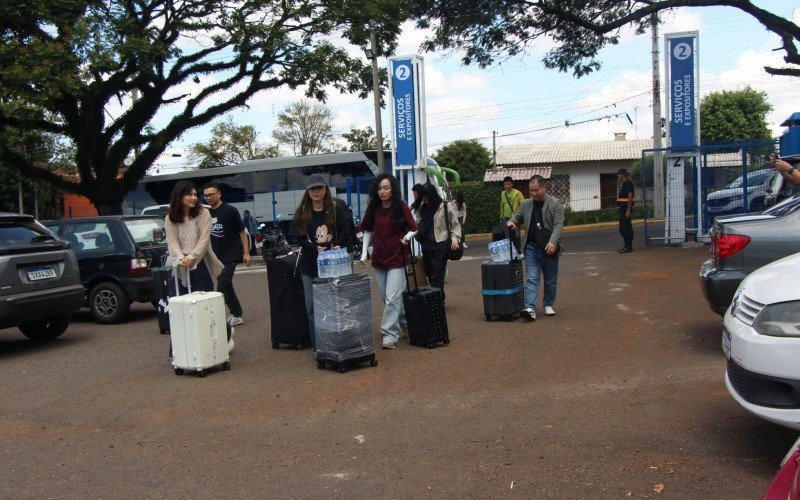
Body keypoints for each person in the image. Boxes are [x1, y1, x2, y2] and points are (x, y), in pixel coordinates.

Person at [163, 180, 231, 351]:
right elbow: (172, 243)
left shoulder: (203, 214)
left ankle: (223, 337)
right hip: (180, 267)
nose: (194, 198)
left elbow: (204, 240)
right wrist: (180, 258)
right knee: (182, 308)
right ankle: (182, 349)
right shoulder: (170, 218)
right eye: (190, 194)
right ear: (179, 196)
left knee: (207, 305)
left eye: (195, 194)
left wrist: (192, 258)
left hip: (200, 264)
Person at [287, 174, 351, 351]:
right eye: (312, 189)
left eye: (319, 188)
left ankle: (336, 342)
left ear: (325, 189)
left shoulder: (335, 208)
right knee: (312, 308)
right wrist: (312, 247)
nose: (316, 191)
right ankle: (319, 345)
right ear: (307, 191)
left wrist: (335, 244)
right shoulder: (302, 211)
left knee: (334, 305)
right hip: (309, 266)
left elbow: (346, 234)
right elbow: (295, 237)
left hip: (332, 265)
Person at [359, 173, 417, 349]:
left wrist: (406, 237)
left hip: (398, 258)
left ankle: (389, 335)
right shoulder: (373, 208)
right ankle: (409, 326)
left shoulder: (402, 207)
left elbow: (414, 228)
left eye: (386, 188)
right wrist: (364, 253)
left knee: (392, 297)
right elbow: (368, 230)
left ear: (393, 189)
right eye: (379, 188)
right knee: (388, 298)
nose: (382, 191)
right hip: (379, 258)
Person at [507, 175, 564, 321]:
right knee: (532, 278)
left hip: (549, 248)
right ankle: (530, 308)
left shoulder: (556, 204)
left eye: (536, 190)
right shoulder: (526, 204)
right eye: (531, 190)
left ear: (544, 188)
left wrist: (552, 243)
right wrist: (512, 222)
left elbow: (558, 226)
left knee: (550, 280)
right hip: (531, 248)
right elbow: (517, 216)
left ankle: (548, 304)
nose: (533, 193)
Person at [203, 181, 251, 326]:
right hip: (214, 256)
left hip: (230, 254)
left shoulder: (230, 210)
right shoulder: (206, 213)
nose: (209, 198)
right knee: (226, 285)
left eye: (211, 194)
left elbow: (242, 232)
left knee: (222, 285)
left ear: (219, 194)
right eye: (205, 196)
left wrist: (246, 252)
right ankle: (237, 313)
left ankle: (215, 318)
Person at [414, 183, 461, 300]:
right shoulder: (421, 207)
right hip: (426, 244)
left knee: (437, 274)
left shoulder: (445, 206)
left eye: (426, 196)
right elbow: (418, 222)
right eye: (422, 196)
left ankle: (438, 300)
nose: (424, 199)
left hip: (441, 243)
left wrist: (455, 239)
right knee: (429, 272)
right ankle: (437, 295)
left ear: (432, 195)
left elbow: (454, 224)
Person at [500, 176, 523, 251]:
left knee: (516, 235)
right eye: (505, 184)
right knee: (507, 237)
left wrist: (521, 217)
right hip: (505, 218)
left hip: (515, 218)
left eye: (509, 184)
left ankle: (518, 251)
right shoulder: (503, 193)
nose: (507, 186)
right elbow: (502, 205)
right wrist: (501, 216)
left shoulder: (517, 193)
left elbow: (523, 205)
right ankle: (509, 252)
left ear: (512, 184)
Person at [616, 168, 635, 253]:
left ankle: (629, 247)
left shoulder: (628, 184)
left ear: (623, 174)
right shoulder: (623, 184)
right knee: (622, 228)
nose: (618, 176)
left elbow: (630, 197)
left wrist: (628, 210)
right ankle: (626, 245)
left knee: (626, 228)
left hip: (626, 209)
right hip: (622, 209)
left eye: (619, 174)